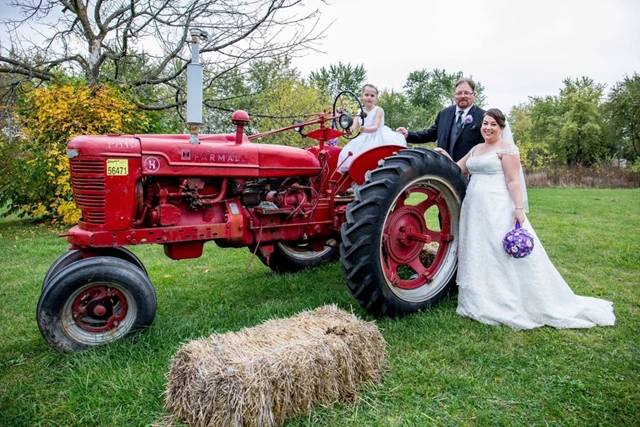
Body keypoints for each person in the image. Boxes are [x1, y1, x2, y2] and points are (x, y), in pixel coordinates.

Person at [437, 108, 615, 330]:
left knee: (498, 249)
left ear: (502, 128)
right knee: (478, 248)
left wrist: (518, 208)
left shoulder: (508, 149)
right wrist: (443, 156)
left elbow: (513, 181)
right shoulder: (476, 148)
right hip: (474, 207)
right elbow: (457, 168)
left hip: (498, 206)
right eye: (485, 123)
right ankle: (480, 297)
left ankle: (507, 299)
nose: (488, 128)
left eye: (493, 124)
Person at [397, 78, 485, 162]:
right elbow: (431, 134)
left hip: (469, 171)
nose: (462, 96)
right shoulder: (444, 114)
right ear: (454, 95)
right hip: (444, 168)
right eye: (459, 93)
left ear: (474, 94)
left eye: (466, 93)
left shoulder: (482, 116)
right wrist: (408, 135)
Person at [337, 84, 406, 173]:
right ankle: (352, 180)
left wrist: (365, 129)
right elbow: (354, 125)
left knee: (371, 157)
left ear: (376, 98)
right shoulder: (359, 111)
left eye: (372, 95)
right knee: (346, 153)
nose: (369, 97)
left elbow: (375, 127)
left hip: (378, 137)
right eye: (367, 95)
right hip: (365, 138)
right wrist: (349, 130)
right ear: (362, 96)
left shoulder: (379, 110)